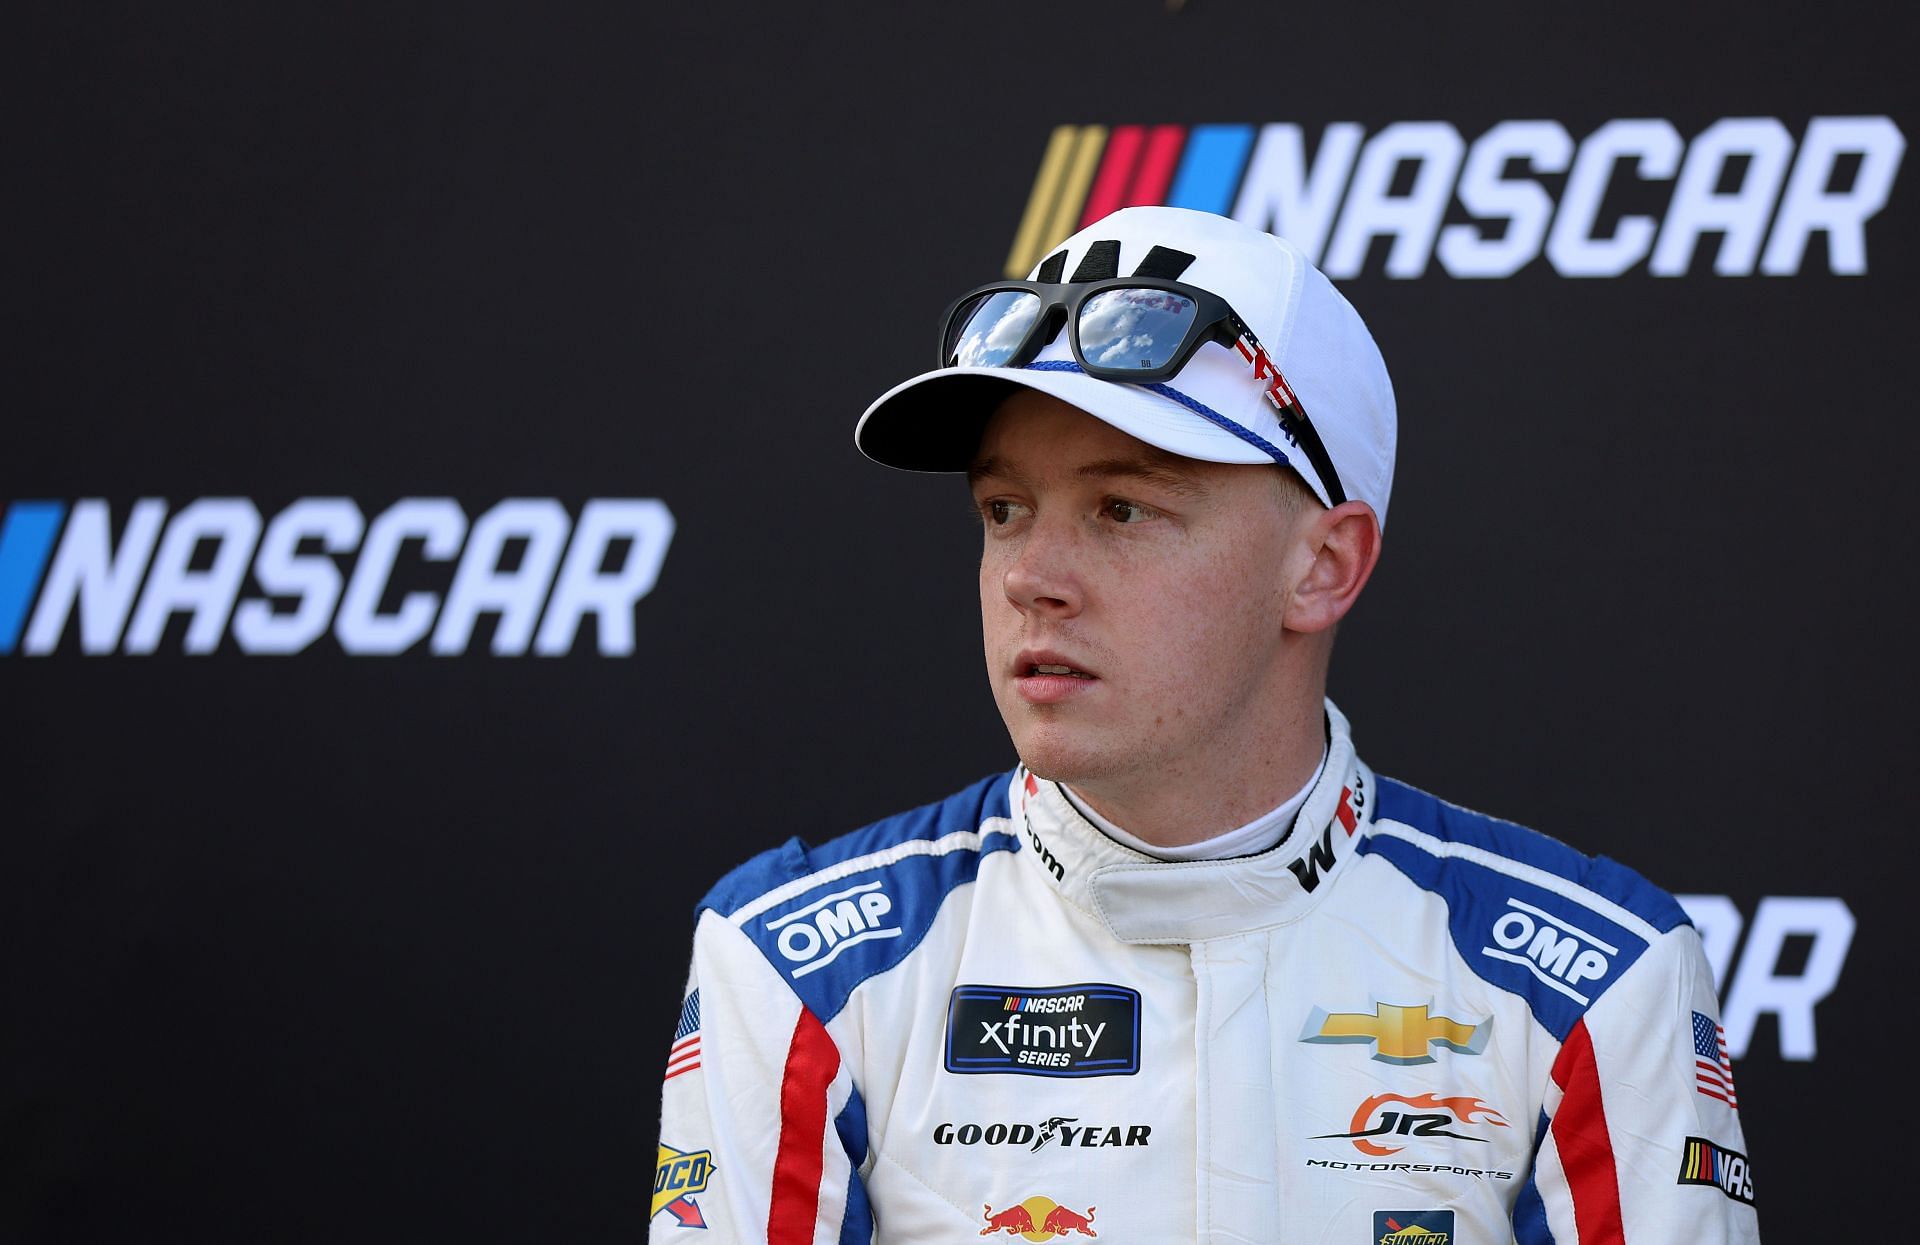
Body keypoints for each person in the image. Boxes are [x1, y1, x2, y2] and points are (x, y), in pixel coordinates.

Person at [649, 207, 1758, 1244]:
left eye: (1122, 508)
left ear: (1323, 565)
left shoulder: (1597, 988)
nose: (1032, 576)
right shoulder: (798, 974)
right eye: (1004, 511)